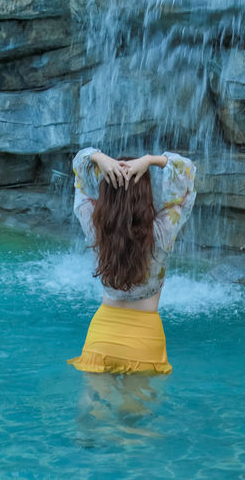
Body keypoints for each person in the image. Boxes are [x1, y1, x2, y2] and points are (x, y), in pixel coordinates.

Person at [67, 147, 196, 375]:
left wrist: (98, 158)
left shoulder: (94, 228)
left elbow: (79, 172)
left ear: (104, 192)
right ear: (146, 195)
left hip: (102, 336)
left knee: (91, 410)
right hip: (144, 338)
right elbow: (188, 174)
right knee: (136, 411)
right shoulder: (162, 231)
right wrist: (149, 161)